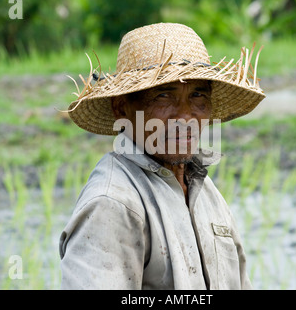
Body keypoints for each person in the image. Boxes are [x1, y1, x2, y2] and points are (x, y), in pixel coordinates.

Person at [59, 23, 266, 289]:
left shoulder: (205, 192)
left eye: (197, 95)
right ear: (122, 107)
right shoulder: (113, 204)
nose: (185, 116)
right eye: (164, 96)